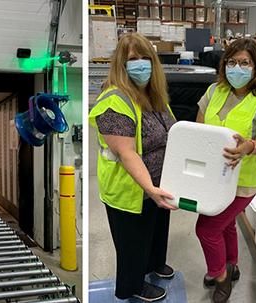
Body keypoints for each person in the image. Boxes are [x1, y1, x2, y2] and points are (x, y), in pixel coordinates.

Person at [195, 38, 256, 303]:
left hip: (245, 180)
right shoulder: (215, 91)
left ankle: (221, 277)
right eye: (231, 62)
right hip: (215, 176)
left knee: (206, 229)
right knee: (225, 225)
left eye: (244, 62)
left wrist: (249, 146)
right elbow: (199, 129)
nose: (237, 68)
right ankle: (231, 264)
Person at [89, 33, 177, 302]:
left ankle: (152, 265)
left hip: (157, 183)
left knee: (155, 231)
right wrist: (150, 188)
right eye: (133, 60)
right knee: (132, 243)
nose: (141, 65)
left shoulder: (153, 96)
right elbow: (127, 153)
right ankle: (132, 287)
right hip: (130, 188)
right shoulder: (114, 102)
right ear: (121, 65)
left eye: (145, 59)